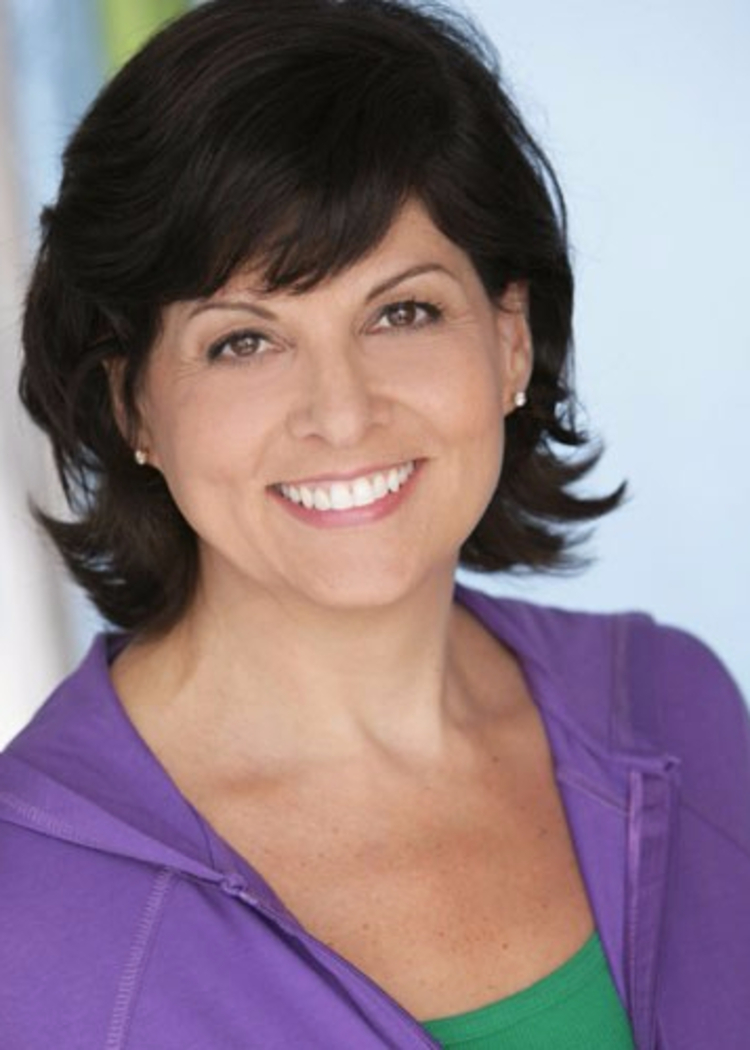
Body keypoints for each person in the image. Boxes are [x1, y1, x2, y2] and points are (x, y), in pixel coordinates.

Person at [1, 1, 748, 1047]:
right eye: (243, 342)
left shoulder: (680, 708)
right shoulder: (26, 914)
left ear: (512, 338)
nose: (343, 414)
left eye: (402, 312)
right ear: (132, 405)